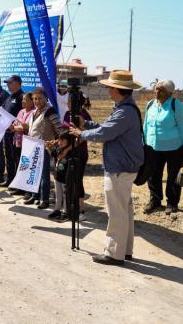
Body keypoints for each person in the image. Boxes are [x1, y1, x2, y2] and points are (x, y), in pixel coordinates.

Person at [70, 70, 144, 265]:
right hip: (123, 166)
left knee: (117, 212)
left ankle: (114, 253)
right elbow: (106, 127)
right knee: (124, 210)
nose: (108, 90)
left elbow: (105, 132)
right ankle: (124, 250)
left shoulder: (125, 112)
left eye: (110, 87)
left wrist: (81, 133)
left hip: (120, 168)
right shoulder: (124, 109)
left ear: (118, 90)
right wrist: (86, 124)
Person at [142, 80, 183, 215]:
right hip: (153, 147)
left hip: (174, 148)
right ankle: (155, 200)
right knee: (153, 175)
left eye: (161, 90)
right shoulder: (151, 104)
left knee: (173, 176)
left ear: (170, 92)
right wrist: (143, 142)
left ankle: (172, 203)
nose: (157, 92)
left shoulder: (176, 105)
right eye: (156, 89)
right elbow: (146, 125)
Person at [16, 87, 64, 209]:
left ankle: (44, 199)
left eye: (40, 98)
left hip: (44, 148)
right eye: (35, 99)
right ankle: (34, 195)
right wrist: (22, 126)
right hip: (32, 146)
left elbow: (60, 130)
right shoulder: (34, 112)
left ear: (45, 98)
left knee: (43, 175)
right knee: (33, 173)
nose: (37, 101)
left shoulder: (50, 112)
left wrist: (56, 143)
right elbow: (32, 128)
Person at [62, 94, 93, 220]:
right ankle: (69, 208)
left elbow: (81, 136)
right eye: (67, 101)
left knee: (77, 180)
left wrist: (67, 149)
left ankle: (81, 210)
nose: (68, 103)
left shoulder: (83, 115)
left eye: (70, 101)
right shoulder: (67, 113)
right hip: (67, 152)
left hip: (79, 152)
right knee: (69, 180)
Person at [0, 75, 24, 187]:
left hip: (16, 133)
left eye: (9, 83)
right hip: (6, 132)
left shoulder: (22, 96)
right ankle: (10, 179)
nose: (7, 85)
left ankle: (17, 183)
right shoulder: (9, 96)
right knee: (9, 157)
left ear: (16, 83)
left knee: (16, 158)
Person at [8, 92, 35, 195]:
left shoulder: (33, 112)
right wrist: (13, 126)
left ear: (31, 101)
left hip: (27, 143)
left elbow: (27, 126)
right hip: (17, 141)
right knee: (18, 164)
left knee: (26, 165)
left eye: (25, 99)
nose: (23, 101)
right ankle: (19, 187)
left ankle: (27, 189)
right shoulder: (21, 111)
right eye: (23, 99)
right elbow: (16, 123)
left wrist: (15, 127)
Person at [46, 133, 77, 221]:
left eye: (63, 140)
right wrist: (48, 148)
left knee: (65, 195)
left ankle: (65, 212)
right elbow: (54, 155)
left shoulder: (71, 151)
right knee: (58, 194)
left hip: (66, 177)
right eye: (59, 140)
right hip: (57, 176)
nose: (60, 142)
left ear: (69, 141)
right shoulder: (59, 148)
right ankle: (57, 209)